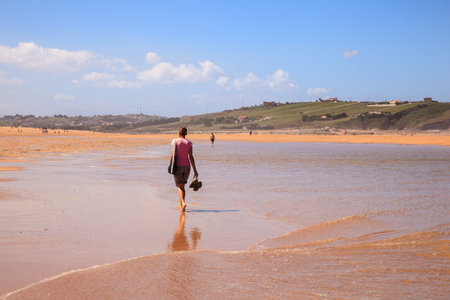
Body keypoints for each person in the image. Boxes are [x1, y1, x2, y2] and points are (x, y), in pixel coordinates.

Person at [170, 127, 199, 212]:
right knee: (183, 186)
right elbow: (191, 157)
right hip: (187, 167)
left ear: (178, 133)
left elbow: (172, 154)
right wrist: (195, 170)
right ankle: (182, 207)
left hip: (177, 166)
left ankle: (183, 202)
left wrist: (169, 164)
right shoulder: (189, 143)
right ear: (186, 133)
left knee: (179, 186)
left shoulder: (175, 141)